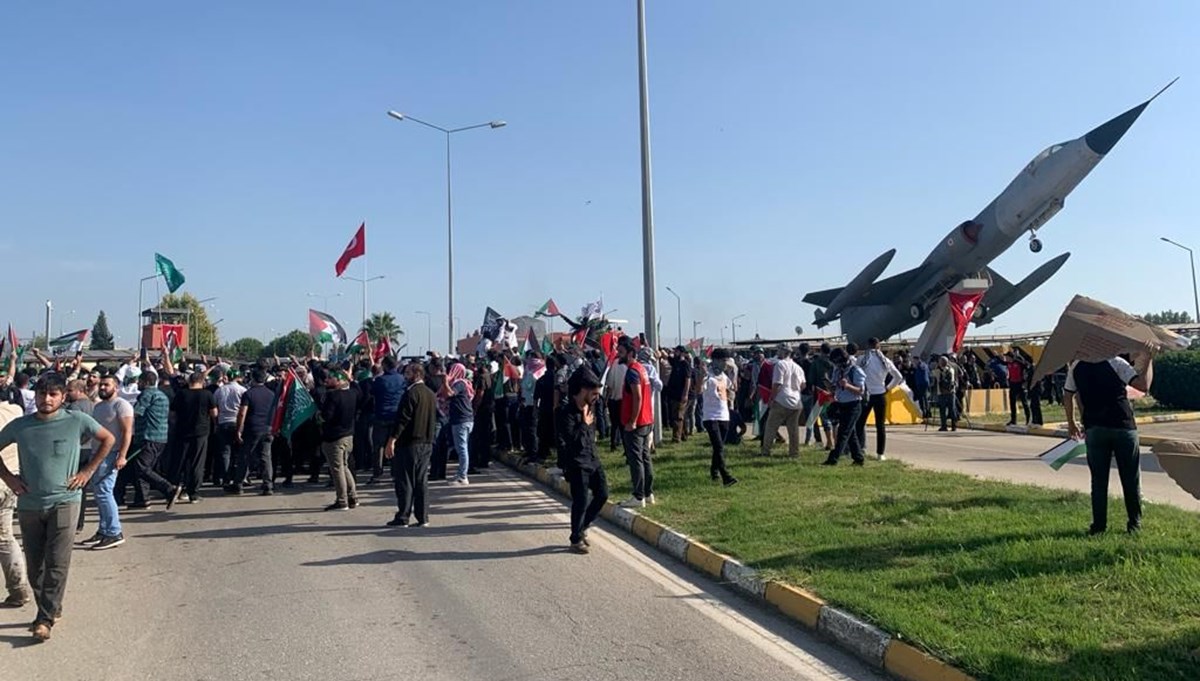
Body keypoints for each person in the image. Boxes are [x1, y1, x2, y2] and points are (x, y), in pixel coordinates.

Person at [0, 372, 116, 642]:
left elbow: (108, 439)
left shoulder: (76, 420)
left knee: (57, 562)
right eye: (42, 394)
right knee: (35, 567)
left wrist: (87, 471)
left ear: (63, 397)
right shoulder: (21, 426)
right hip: (29, 504)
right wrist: (10, 478)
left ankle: (44, 618)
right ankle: (52, 607)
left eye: (53, 394)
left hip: (65, 501)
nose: (46, 399)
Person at [1065, 351, 1154, 535]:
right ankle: (1134, 524)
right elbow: (1142, 385)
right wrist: (1148, 359)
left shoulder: (1076, 366)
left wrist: (1072, 422)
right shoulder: (1116, 362)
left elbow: (1068, 394)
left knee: (1098, 481)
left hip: (1094, 428)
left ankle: (1098, 526)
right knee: (1130, 479)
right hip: (1123, 426)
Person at [556, 367, 609, 554]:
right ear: (583, 391)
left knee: (603, 494)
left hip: (593, 459)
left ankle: (583, 526)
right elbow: (570, 440)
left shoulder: (591, 407)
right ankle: (575, 539)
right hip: (576, 463)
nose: (596, 397)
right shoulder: (566, 412)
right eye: (594, 393)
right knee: (580, 501)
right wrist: (583, 424)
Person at [385, 362, 438, 528]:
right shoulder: (430, 393)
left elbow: (402, 419)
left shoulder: (411, 394)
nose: (404, 376)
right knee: (421, 480)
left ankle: (403, 516)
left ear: (416, 374)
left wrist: (392, 440)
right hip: (426, 442)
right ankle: (423, 517)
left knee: (405, 480)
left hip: (410, 443)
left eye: (407, 373)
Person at [83, 376, 133, 550]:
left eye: (107, 385)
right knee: (98, 492)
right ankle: (103, 530)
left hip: (112, 454)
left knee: (104, 491)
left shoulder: (122, 405)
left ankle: (114, 532)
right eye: (101, 384)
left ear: (116, 387)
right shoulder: (98, 407)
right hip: (97, 453)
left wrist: (122, 455)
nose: (103, 387)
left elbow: (127, 431)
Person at [124, 370, 181, 509]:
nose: (138, 384)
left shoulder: (147, 394)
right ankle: (141, 499)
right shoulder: (162, 395)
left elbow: (136, 413)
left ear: (145, 382)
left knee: (141, 467)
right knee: (143, 467)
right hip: (160, 436)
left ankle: (169, 489)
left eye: (139, 381)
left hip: (147, 436)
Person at [0, 402, 33, 609]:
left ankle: (18, 589)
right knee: (4, 537)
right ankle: (18, 589)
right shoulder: (14, 411)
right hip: (10, 482)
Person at [618, 338, 655, 508]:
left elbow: (637, 397)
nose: (619, 354)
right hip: (647, 420)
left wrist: (632, 421)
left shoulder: (633, 371)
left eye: (621, 352)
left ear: (631, 354)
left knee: (636, 460)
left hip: (637, 423)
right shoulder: (641, 369)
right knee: (645, 457)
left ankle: (638, 496)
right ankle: (648, 493)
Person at [170, 372, 218, 503]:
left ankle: (174, 488)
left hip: (182, 431)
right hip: (201, 432)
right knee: (197, 462)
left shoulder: (181, 394)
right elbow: (214, 413)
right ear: (202, 381)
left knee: (180, 461)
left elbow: (172, 413)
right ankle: (193, 492)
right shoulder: (207, 394)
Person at [855, 338, 905, 460]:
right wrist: (888, 388)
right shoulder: (885, 360)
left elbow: (855, 373)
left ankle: (860, 449)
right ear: (878, 346)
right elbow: (898, 377)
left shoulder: (862, 359)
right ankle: (880, 453)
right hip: (880, 393)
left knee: (860, 423)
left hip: (866, 394)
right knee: (880, 425)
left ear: (868, 345)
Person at [320, 369, 359, 511]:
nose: (327, 381)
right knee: (344, 466)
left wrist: (319, 415)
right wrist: (352, 379)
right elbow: (358, 390)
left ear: (339, 380)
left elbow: (327, 416)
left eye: (331, 378)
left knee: (337, 469)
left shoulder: (333, 396)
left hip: (335, 437)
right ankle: (353, 496)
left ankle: (342, 500)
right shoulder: (352, 393)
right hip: (348, 435)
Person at [232, 369, 276, 496]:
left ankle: (239, 484)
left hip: (252, 429)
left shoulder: (248, 394)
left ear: (253, 379)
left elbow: (242, 413)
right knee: (266, 457)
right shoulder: (271, 394)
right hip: (267, 428)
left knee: (245, 456)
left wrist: (239, 430)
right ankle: (268, 485)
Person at [822, 348, 866, 466]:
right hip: (841, 404)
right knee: (850, 434)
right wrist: (829, 385)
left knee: (843, 433)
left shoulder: (855, 370)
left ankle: (833, 459)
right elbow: (836, 388)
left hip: (853, 405)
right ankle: (858, 458)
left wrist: (847, 386)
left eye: (836, 362)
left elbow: (861, 391)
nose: (835, 365)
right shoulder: (837, 371)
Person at [760, 345, 805, 458]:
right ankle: (794, 453)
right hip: (796, 401)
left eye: (778, 350)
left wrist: (771, 398)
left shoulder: (780, 364)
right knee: (793, 429)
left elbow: (777, 384)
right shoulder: (798, 367)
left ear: (783, 352)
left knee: (771, 426)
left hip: (781, 399)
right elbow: (803, 385)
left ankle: (766, 451)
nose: (777, 352)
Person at [701, 350, 738, 486]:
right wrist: (701, 374)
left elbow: (732, 387)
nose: (725, 364)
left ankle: (714, 470)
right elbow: (699, 389)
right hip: (710, 416)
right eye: (723, 361)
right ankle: (725, 476)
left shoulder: (722, 375)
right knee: (719, 446)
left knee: (719, 447)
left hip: (724, 415)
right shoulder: (708, 375)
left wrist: (733, 378)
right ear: (716, 360)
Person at [212, 368, 247, 489]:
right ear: (238, 377)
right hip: (238, 423)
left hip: (223, 423)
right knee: (239, 452)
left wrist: (216, 423)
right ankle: (239, 477)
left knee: (225, 452)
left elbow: (215, 409)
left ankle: (226, 477)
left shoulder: (219, 390)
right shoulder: (242, 390)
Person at [443, 362, 475, 485]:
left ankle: (463, 476)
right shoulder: (464, 383)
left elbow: (450, 393)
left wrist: (445, 382)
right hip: (465, 418)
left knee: (461, 448)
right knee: (461, 446)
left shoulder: (459, 383)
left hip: (461, 420)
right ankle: (461, 473)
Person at [664, 346, 692, 443]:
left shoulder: (685, 365)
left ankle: (676, 438)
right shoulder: (676, 363)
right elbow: (667, 356)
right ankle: (684, 434)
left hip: (681, 394)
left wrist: (685, 394)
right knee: (678, 415)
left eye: (678, 351)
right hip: (673, 393)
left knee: (678, 416)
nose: (675, 353)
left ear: (682, 353)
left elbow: (687, 380)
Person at [932, 356, 959, 431]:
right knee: (952, 409)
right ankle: (954, 426)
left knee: (942, 410)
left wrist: (936, 366)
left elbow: (932, 374)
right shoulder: (952, 370)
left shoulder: (937, 371)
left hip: (941, 392)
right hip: (951, 392)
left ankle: (944, 426)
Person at [1005, 351, 1031, 426]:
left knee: (1024, 402)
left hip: (1020, 384)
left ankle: (1028, 419)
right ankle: (1013, 420)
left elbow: (1027, 365)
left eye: (1007, 357)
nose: (1006, 358)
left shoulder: (1018, 363)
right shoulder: (1008, 364)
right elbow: (1001, 362)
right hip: (1012, 384)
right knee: (1012, 402)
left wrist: (1025, 380)